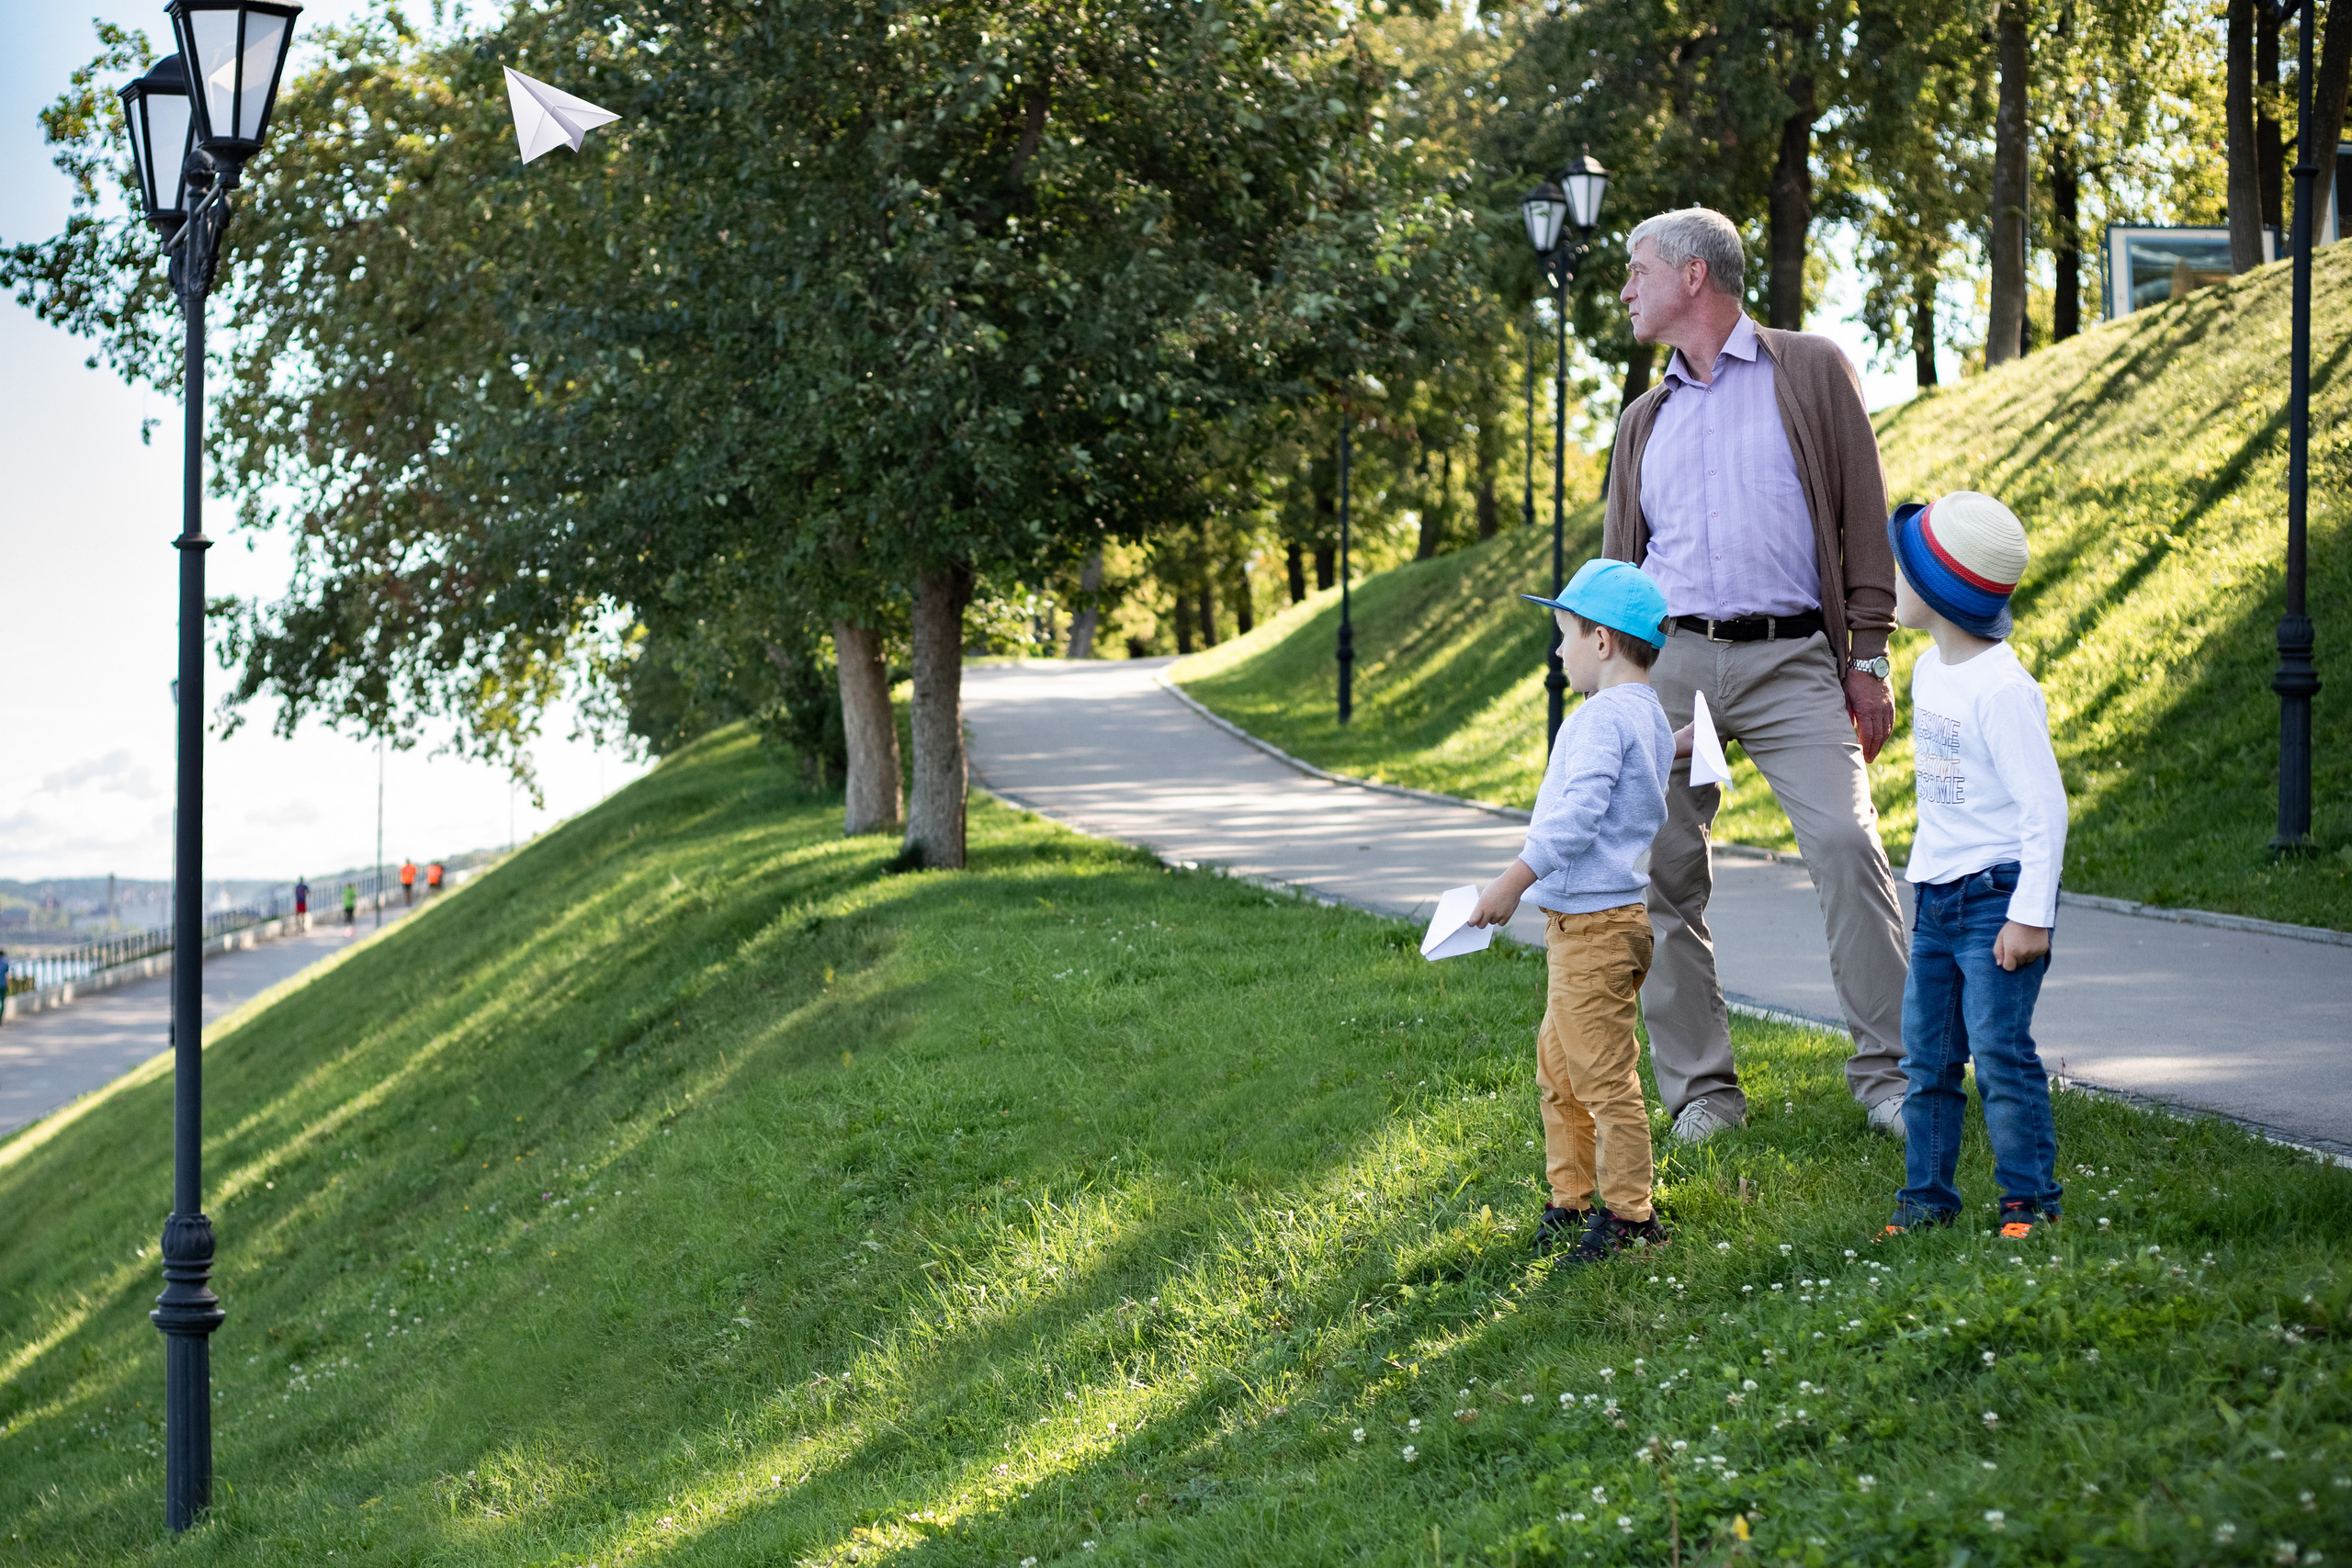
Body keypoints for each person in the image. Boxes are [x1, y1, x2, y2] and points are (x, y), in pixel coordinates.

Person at [1604, 207, 1911, 1145]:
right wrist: (1617, 690)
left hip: (1790, 660)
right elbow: (1623, 568)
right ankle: (1703, 1092)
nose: (1623, 288)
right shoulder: (1640, 420)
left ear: (1695, 275)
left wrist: (1866, 659)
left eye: (1637, 270)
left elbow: (1864, 515)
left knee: (1846, 845)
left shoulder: (1808, 370)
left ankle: (1893, 1080)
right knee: (1658, 870)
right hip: (1675, 662)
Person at [1466, 559, 1678, 1264]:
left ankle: (1630, 1214)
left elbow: (1576, 819)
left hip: (1593, 928)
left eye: (1564, 636)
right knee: (1560, 1071)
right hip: (1601, 924)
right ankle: (1569, 1199)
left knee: (1602, 1078)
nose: (1559, 652)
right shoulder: (1646, 712)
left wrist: (1510, 883)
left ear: (1602, 641)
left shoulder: (1599, 719)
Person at [1881, 491, 2067, 1241]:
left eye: (1900, 570)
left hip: (1997, 900)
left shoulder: (2004, 690)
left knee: (1998, 1052)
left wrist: (2031, 912)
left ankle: (2030, 1201)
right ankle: (1926, 1198)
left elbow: (2044, 809)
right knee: (1927, 1057)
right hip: (1935, 898)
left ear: (1937, 590)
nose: (1887, 580)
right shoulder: (1929, 670)